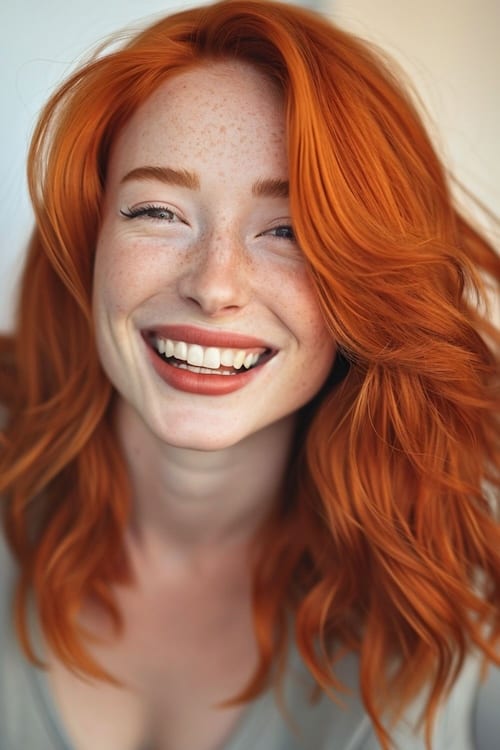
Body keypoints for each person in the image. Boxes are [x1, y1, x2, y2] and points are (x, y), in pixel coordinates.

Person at [0, 1, 499, 748]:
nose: (215, 285)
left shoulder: (472, 569)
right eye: (158, 212)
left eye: (289, 229)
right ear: (88, 240)